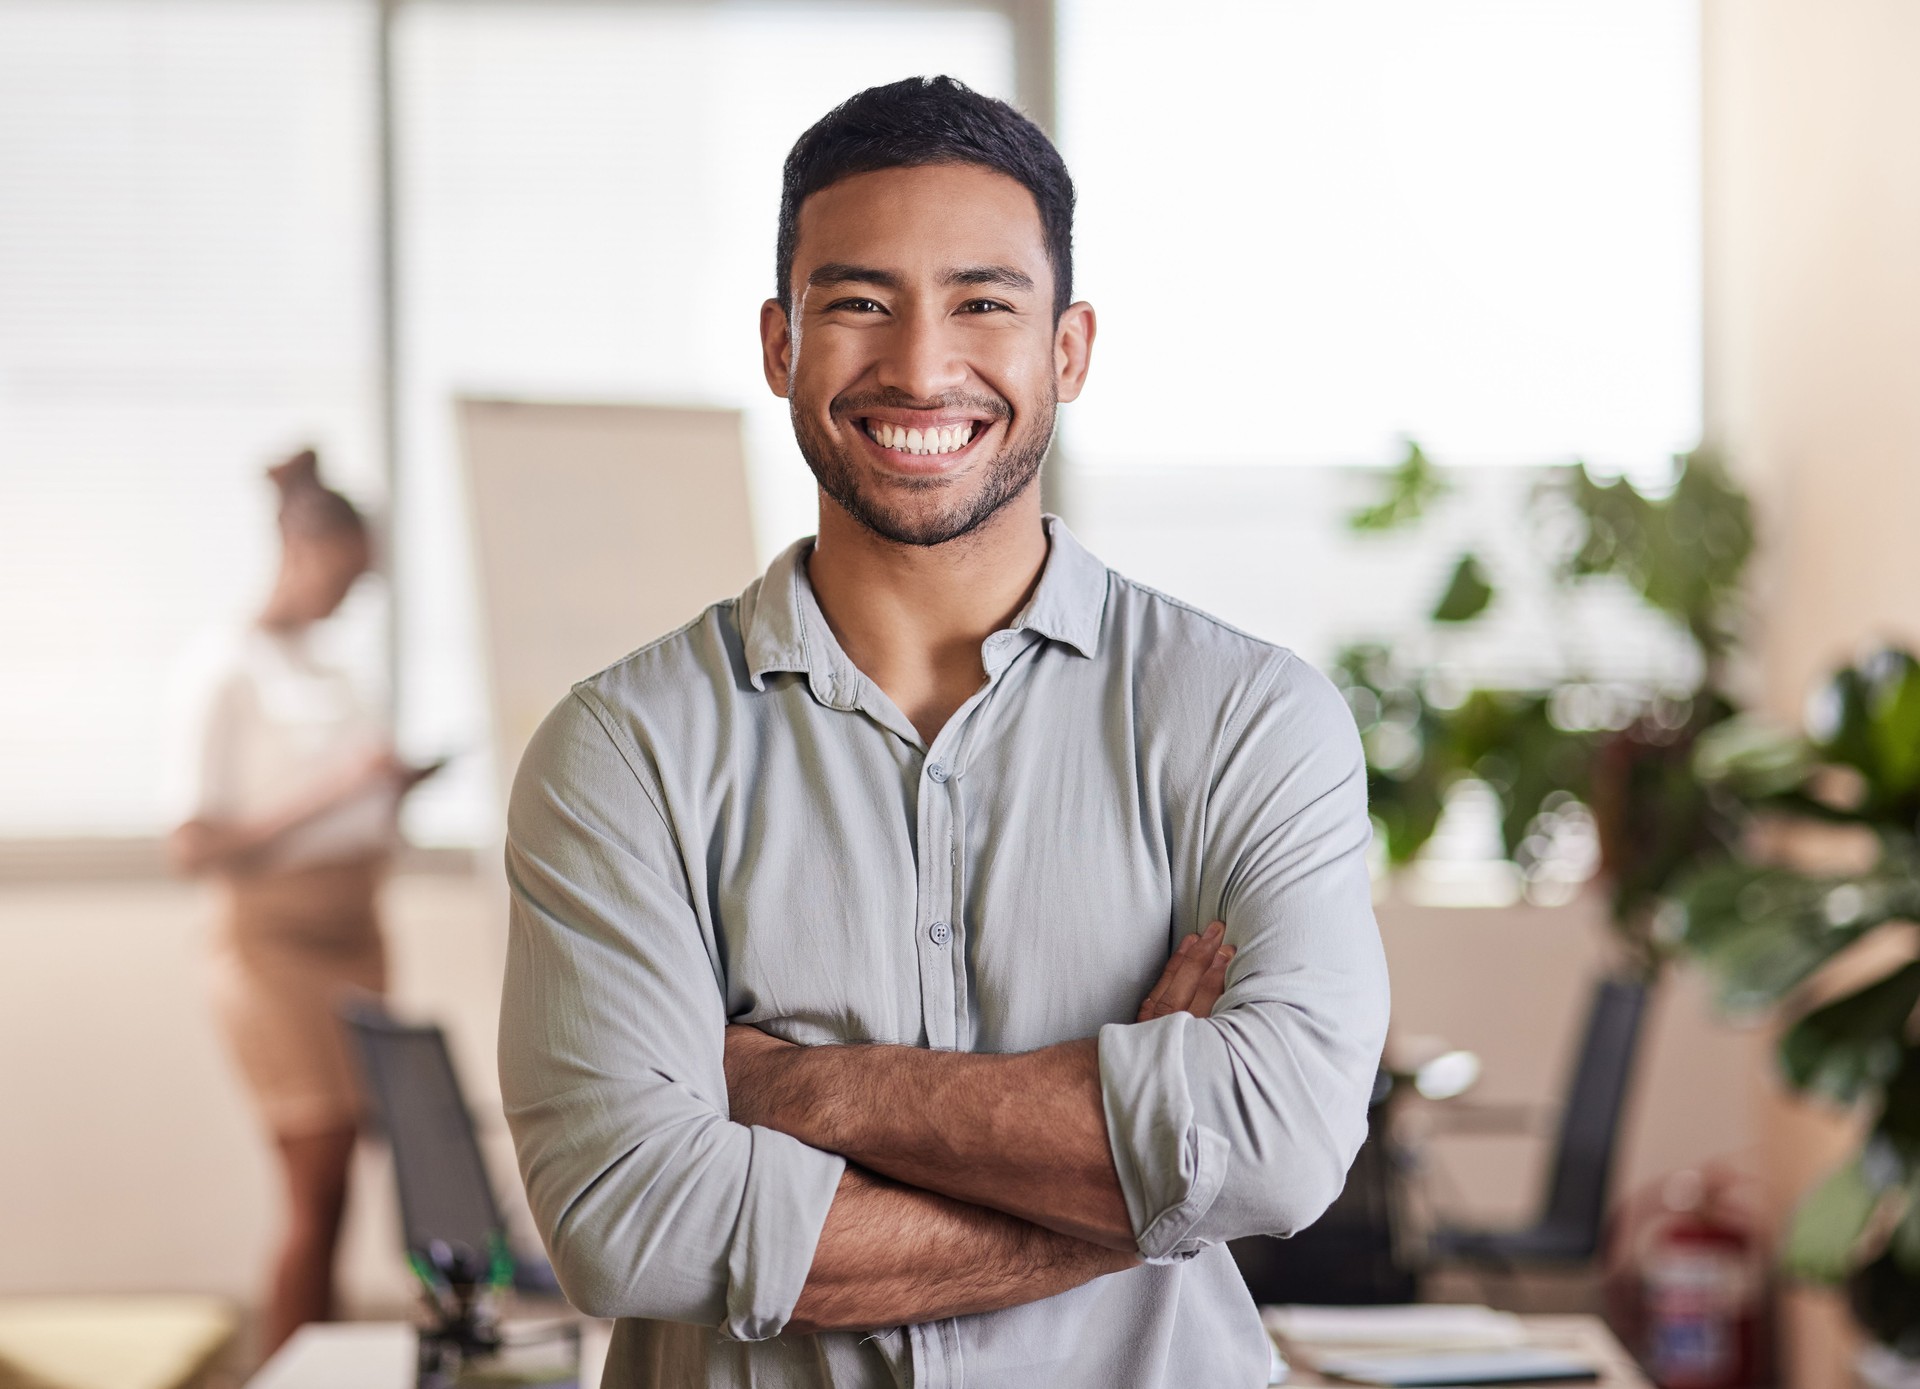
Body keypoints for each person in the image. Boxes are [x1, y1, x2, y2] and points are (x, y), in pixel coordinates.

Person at [500, 77, 1389, 1386]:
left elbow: (1277, 1145)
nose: (920, 366)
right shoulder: (622, 750)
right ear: (778, 343)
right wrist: (1145, 1174)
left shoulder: (1245, 718)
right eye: (859, 302)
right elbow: (630, 1222)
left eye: (983, 301)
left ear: (1068, 349)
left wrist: (802, 1089)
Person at [167, 450, 435, 1356]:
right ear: (299, 547)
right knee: (312, 1183)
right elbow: (194, 844)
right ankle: (281, 1367)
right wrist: (333, 787)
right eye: (345, 573)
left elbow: (348, 806)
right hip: (272, 953)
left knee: (345, 1186)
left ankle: (320, 1365)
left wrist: (390, 789)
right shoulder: (225, 670)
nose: (349, 595)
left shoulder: (333, 670)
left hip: (356, 937)